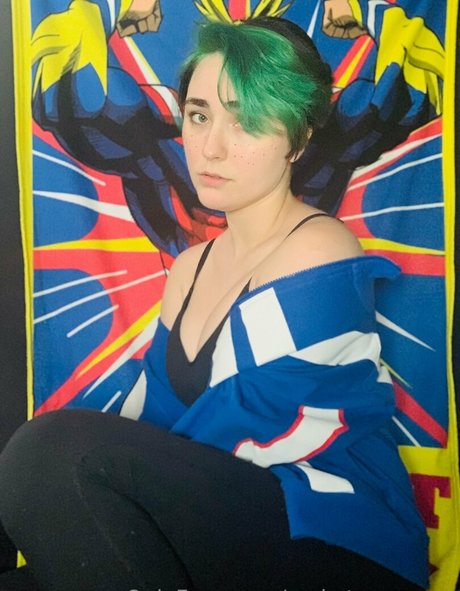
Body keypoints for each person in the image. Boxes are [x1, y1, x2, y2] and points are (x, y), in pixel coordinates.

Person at [0, 17, 428, 591]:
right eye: (199, 115)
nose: (211, 147)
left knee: (49, 454)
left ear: (299, 140)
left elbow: (263, 428)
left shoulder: (318, 247)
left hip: (337, 536)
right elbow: (150, 423)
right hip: (232, 525)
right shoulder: (188, 270)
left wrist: (100, 469)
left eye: (246, 121)